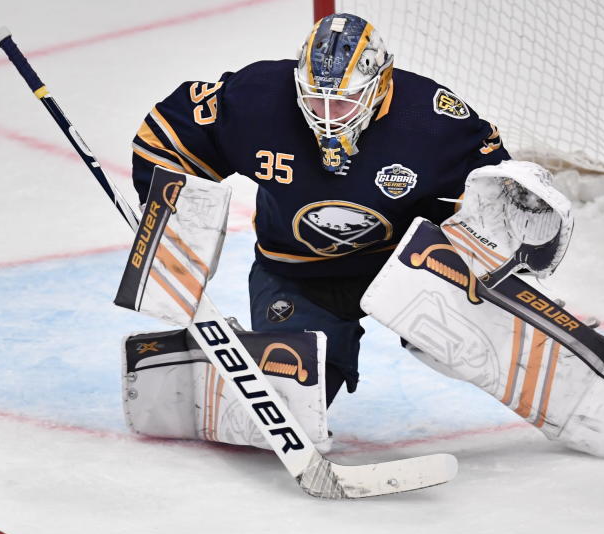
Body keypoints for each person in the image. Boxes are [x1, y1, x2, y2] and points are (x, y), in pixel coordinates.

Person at [131, 12, 511, 406]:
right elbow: (163, 138)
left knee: (480, 347)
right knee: (291, 398)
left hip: (407, 269)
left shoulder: (431, 118)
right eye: (315, 99)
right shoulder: (257, 98)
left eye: (343, 103)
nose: (326, 118)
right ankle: (224, 370)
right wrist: (168, 213)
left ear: (378, 86)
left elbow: (499, 191)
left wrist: (492, 264)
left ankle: (517, 336)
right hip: (296, 273)